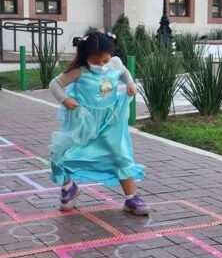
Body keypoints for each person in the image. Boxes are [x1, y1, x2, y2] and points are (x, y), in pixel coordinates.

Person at [48, 32, 149, 215]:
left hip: (111, 120)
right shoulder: (79, 71)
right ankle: (69, 187)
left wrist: (130, 83)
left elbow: (125, 73)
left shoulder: (115, 63)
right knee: (62, 155)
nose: (102, 64)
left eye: (105, 60)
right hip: (85, 121)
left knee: (120, 155)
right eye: (96, 60)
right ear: (85, 56)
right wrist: (64, 99)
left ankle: (131, 197)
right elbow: (55, 84)